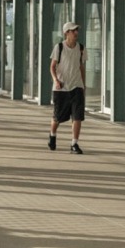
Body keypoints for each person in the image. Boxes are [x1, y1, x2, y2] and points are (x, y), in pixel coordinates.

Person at [48, 22, 86, 154]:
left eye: (76, 30)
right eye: (73, 30)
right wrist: (56, 80)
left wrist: (83, 85)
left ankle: (74, 144)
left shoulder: (81, 48)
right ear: (66, 33)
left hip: (76, 87)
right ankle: (52, 134)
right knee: (57, 117)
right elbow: (52, 66)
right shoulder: (59, 47)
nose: (76, 33)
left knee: (77, 117)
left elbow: (81, 67)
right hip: (61, 88)